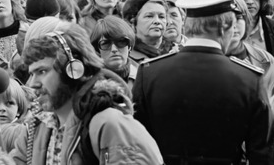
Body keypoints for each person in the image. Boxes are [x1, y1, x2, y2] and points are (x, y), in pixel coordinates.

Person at [132, 0, 272, 165]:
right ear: (225, 27)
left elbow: (136, 146)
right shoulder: (249, 79)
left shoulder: (150, 73)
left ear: (188, 27)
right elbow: (262, 156)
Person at [13, 24, 163, 165]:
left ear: (73, 70)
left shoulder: (110, 124)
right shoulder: (37, 126)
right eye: (32, 74)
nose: (33, 83)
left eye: (42, 71)